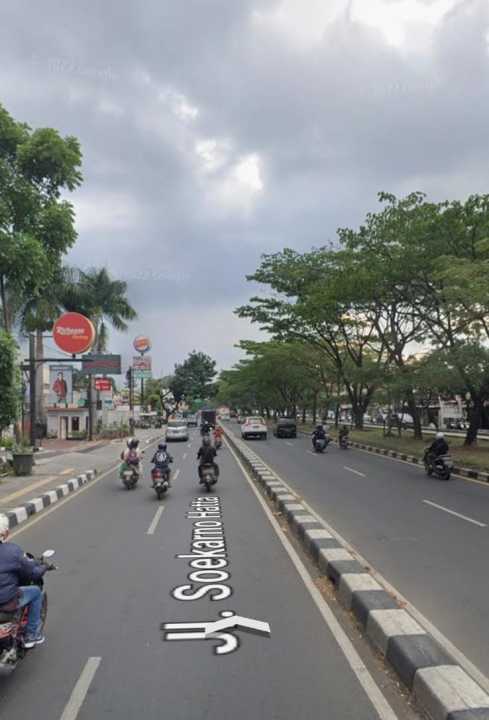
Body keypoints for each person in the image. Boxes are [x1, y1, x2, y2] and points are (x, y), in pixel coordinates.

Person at [0, 514, 49, 648]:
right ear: (5, 533)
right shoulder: (12, 551)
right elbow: (33, 572)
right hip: (6, 603)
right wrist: (44, 567)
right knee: (36, 592)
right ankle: (31, 635)